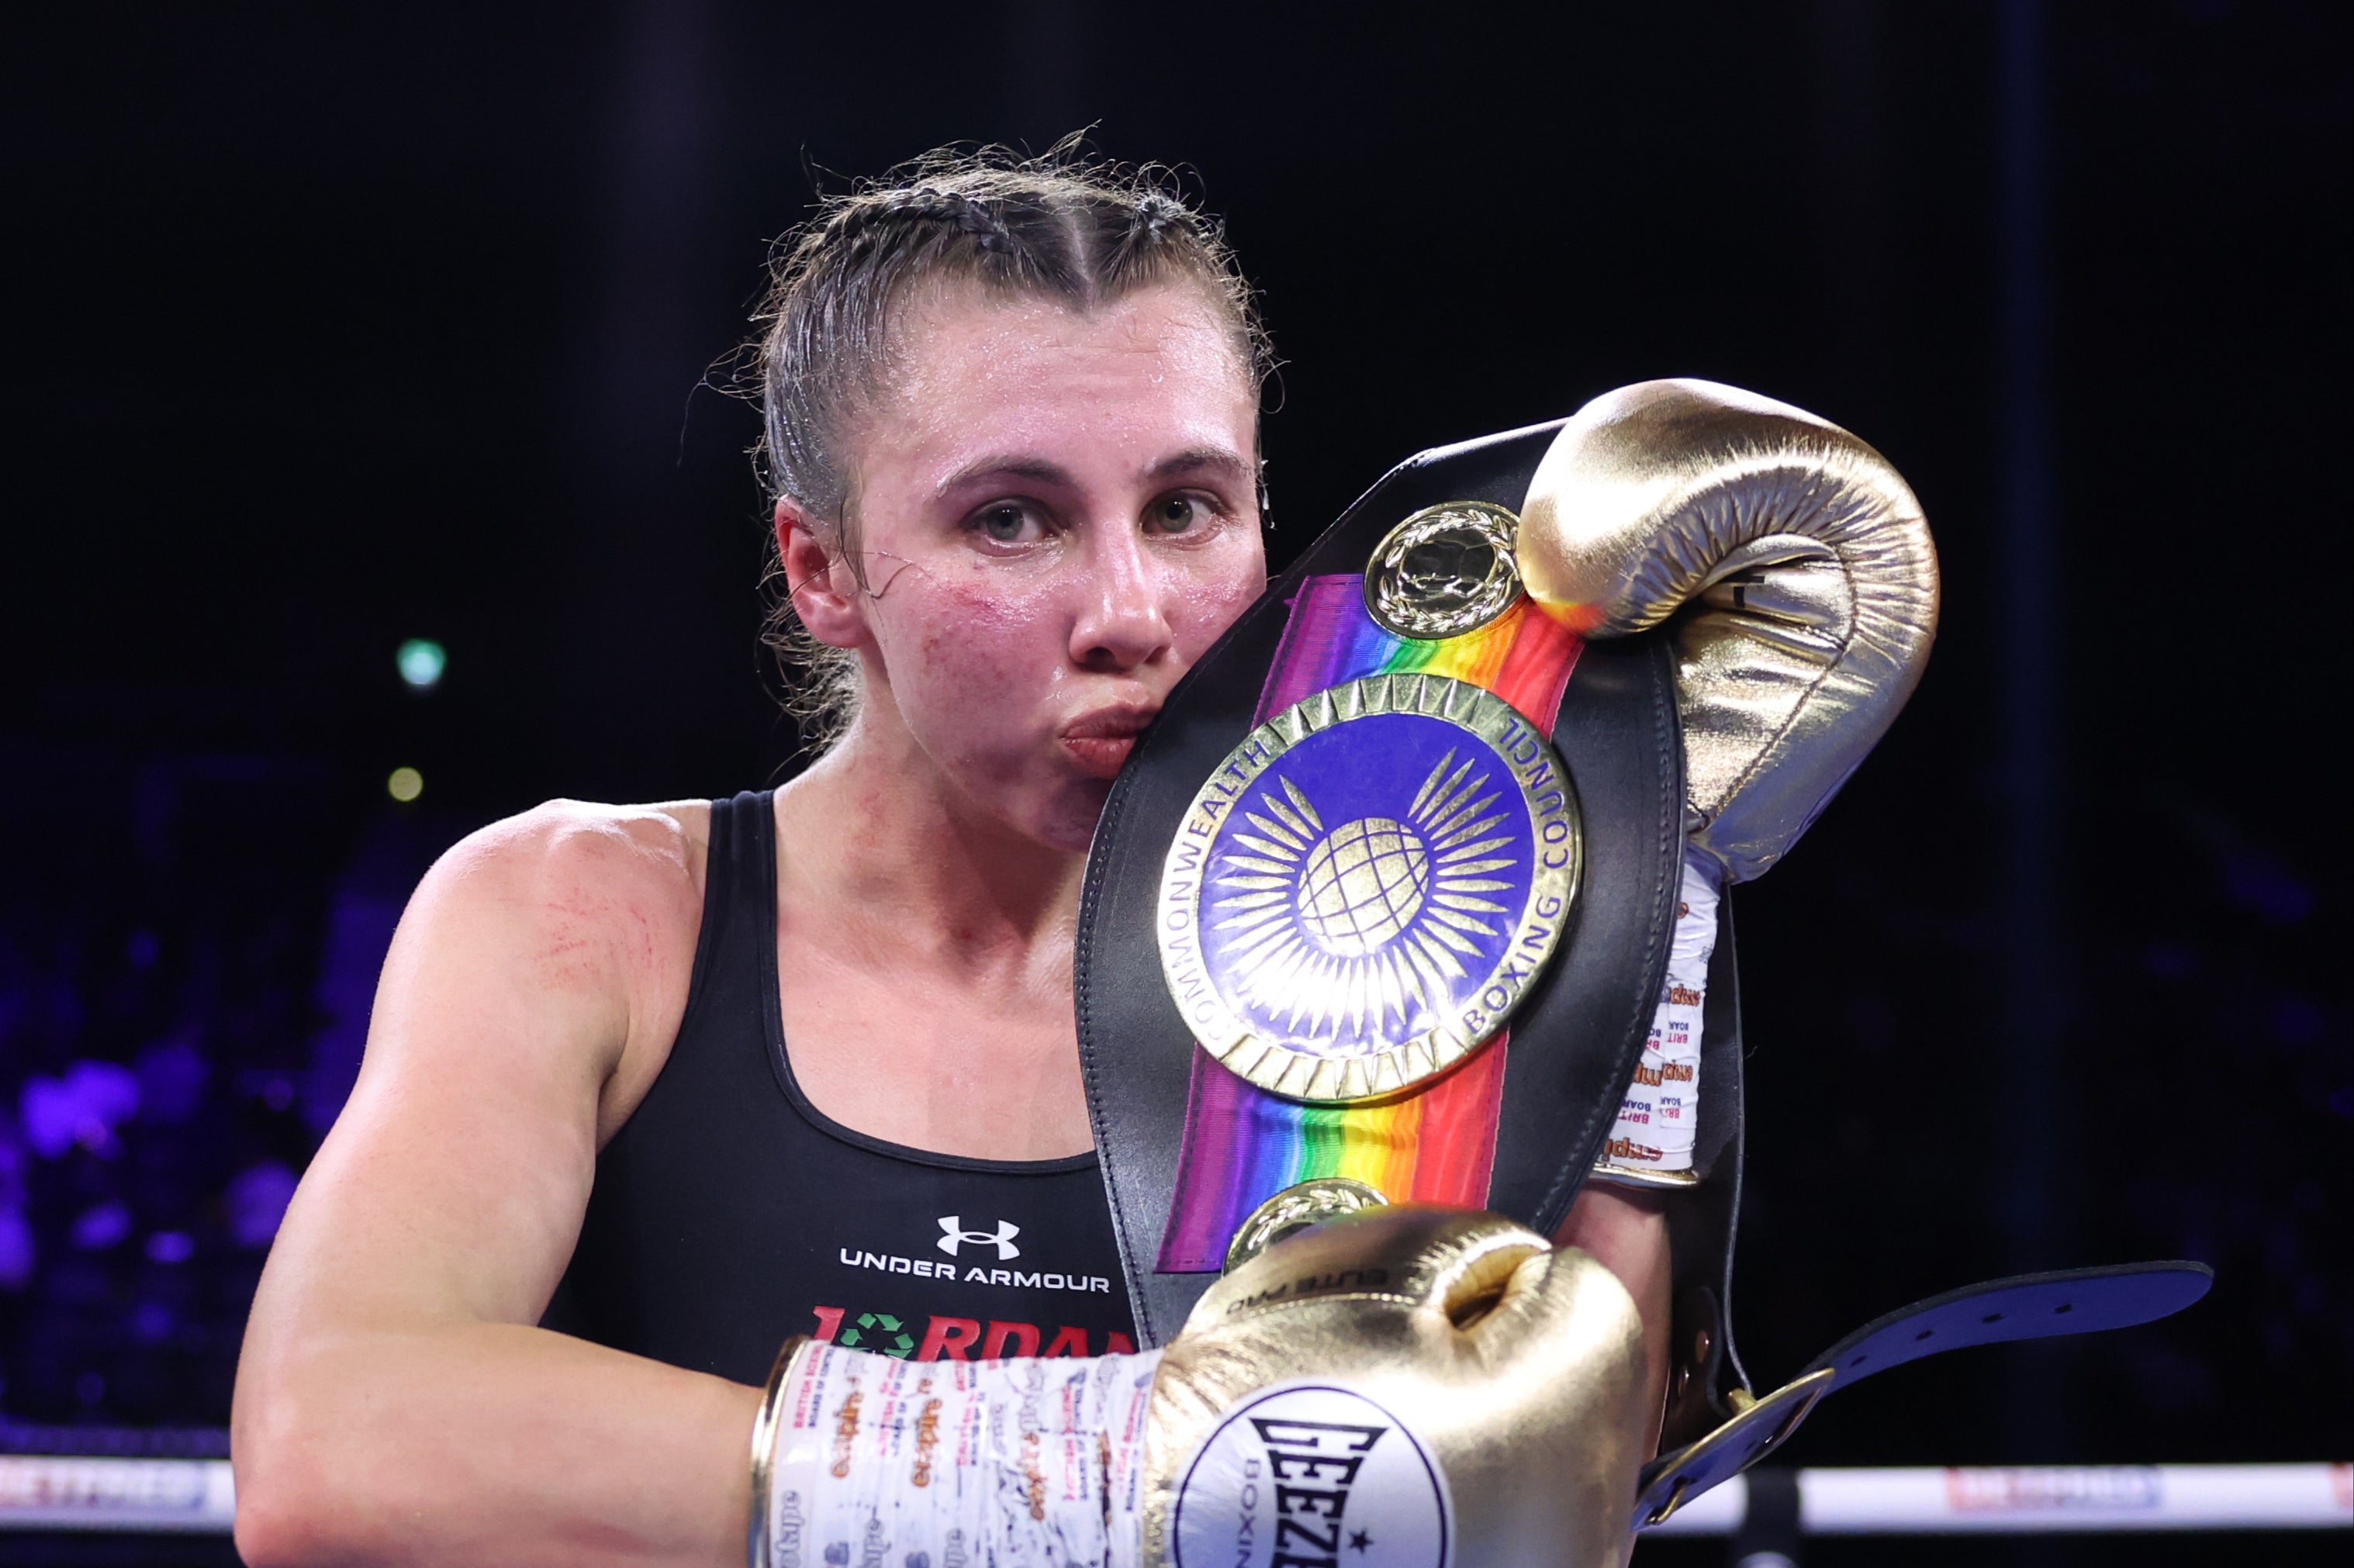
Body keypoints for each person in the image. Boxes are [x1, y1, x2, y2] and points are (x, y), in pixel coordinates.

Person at [229, 149, 1673, 1567]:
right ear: (823, 571)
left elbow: (1554, 1495)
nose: (1131, 609)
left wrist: (1659, 910)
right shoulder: (589, 916)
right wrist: (1129, 1470)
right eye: (1011, 518)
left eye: (1186, 508)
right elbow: (331, 1443)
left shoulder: (1405, 965)